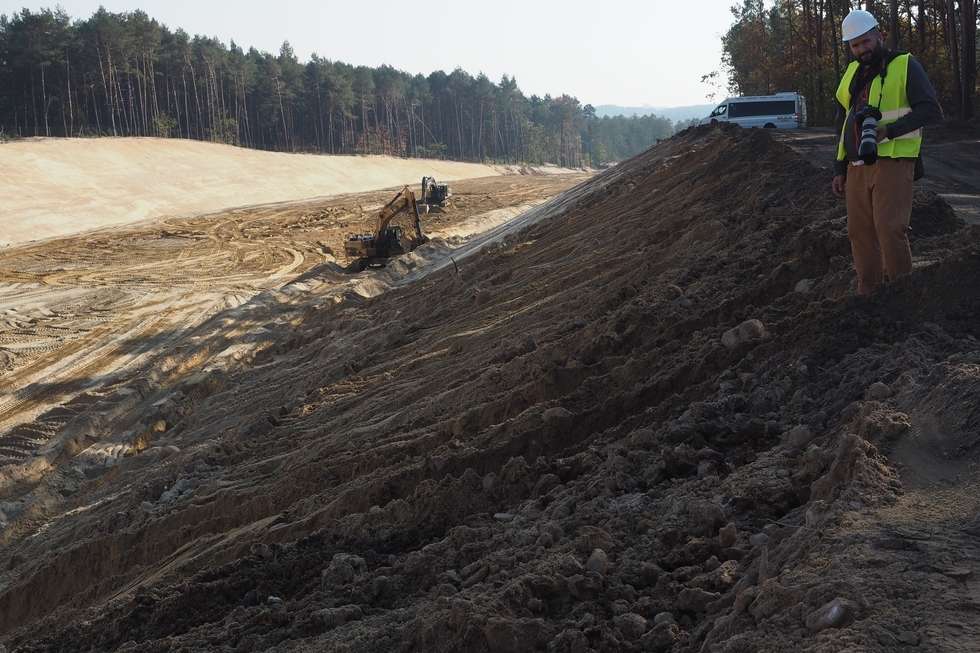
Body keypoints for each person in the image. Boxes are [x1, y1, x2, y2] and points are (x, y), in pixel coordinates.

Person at [831, 10, 943, 295]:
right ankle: (868, 295)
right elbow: (844, 120)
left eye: (866, 42)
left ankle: (902, 295)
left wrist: (889, 130)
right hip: (856, 162)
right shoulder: (852, 74)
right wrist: (839, 167)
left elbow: (930, 109)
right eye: (855, 45)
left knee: (890, 229)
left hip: (894, 158)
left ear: (879, 35)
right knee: (859, 232)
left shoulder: (905, 64)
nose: (861, 50)